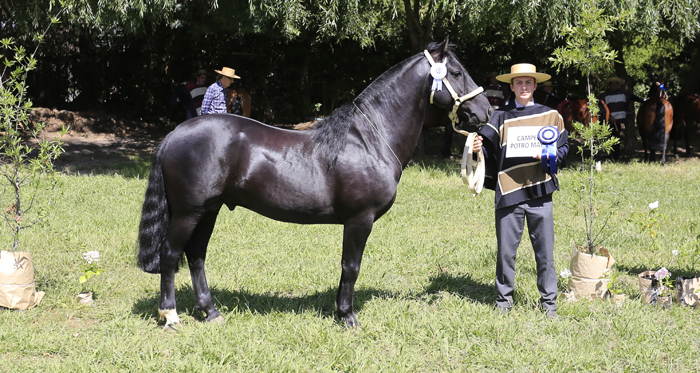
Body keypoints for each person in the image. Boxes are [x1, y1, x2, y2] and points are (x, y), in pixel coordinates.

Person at [472, 63, 568, 319]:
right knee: (505, 252)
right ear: (511, 86)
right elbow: (488, 151)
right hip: (509, 191)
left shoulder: (552, 116)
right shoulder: (499, 116)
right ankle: (504, 302)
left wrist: (549, 156)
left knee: (545, 252)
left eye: (528, 82)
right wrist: (478, 146)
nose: (523, 87)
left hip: (540, 193)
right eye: (518, 83)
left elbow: (563, 150)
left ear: (535, 85)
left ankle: (549, 305)